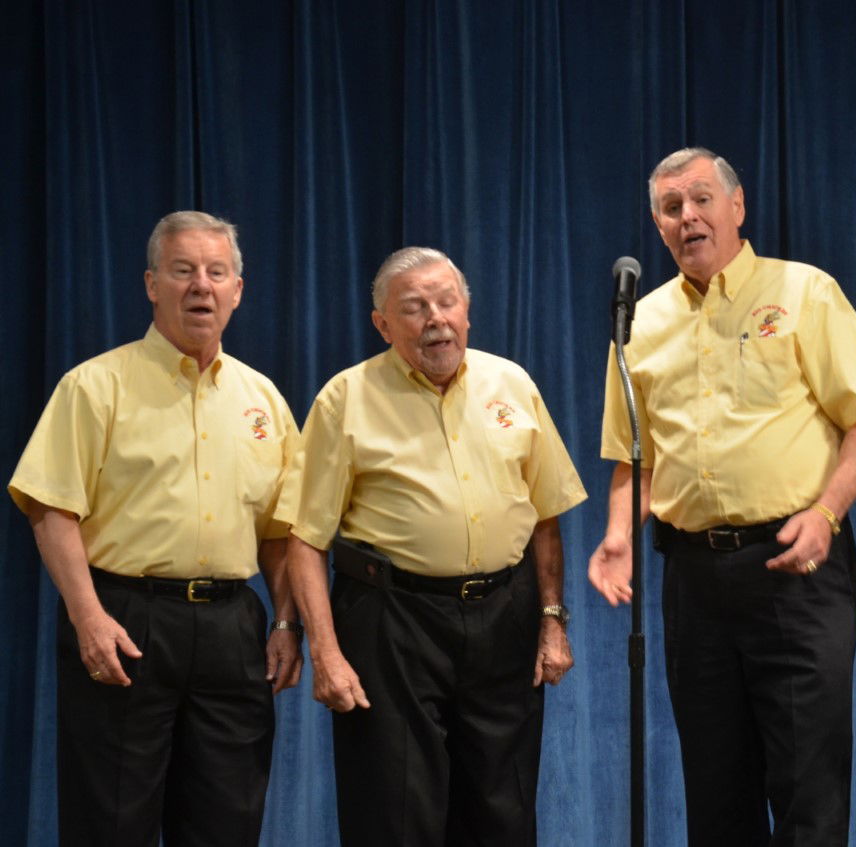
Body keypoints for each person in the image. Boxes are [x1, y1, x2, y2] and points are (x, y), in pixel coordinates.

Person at [589, 147, 856, 845]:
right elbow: (632, 460)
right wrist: (618, 535)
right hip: (694, 580)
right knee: (716, 792)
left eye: (702, 199)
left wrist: (826, 514)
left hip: (795, 567)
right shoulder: (639, 322)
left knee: (807, 788)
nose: (688, 216)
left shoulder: (804, 291)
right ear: (657, 224)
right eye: (671, 208)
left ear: (738, 206)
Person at [7, 210, 302, 846]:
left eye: (217, 272)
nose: (202, 285)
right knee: (111, 823)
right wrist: (87, 618)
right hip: (124, 621)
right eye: (183, 270)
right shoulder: (94, 386)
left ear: (237, 290)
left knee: (227, 824)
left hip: (232, 629)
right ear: (151, 284)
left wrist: (283, 620)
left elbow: (282, 533)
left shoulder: (264, 401)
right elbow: (50, 508)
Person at [280, 247, 586, 845]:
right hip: (392, 623)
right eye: (414, 308)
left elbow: (545, 518)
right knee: (396, 814)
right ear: (383, 324)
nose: (435, 320)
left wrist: (551, 620)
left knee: (503, 812)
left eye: (446, 302)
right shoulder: (345, 399)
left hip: (506, 617)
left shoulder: (513, 384)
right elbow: (305, 539)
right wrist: (327, 652)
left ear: (467, 310)